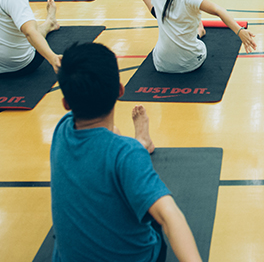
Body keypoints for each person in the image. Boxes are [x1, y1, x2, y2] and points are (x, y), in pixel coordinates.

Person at [51, 42, 203, 262]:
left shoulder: (61, 130)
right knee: (151, 217)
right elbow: (169, 216)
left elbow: (106, 136)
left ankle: (142, 140)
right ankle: (142, 141)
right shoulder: (127, 154)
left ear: (66, 103)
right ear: (120, 91)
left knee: (112, 137)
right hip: (141, 256)